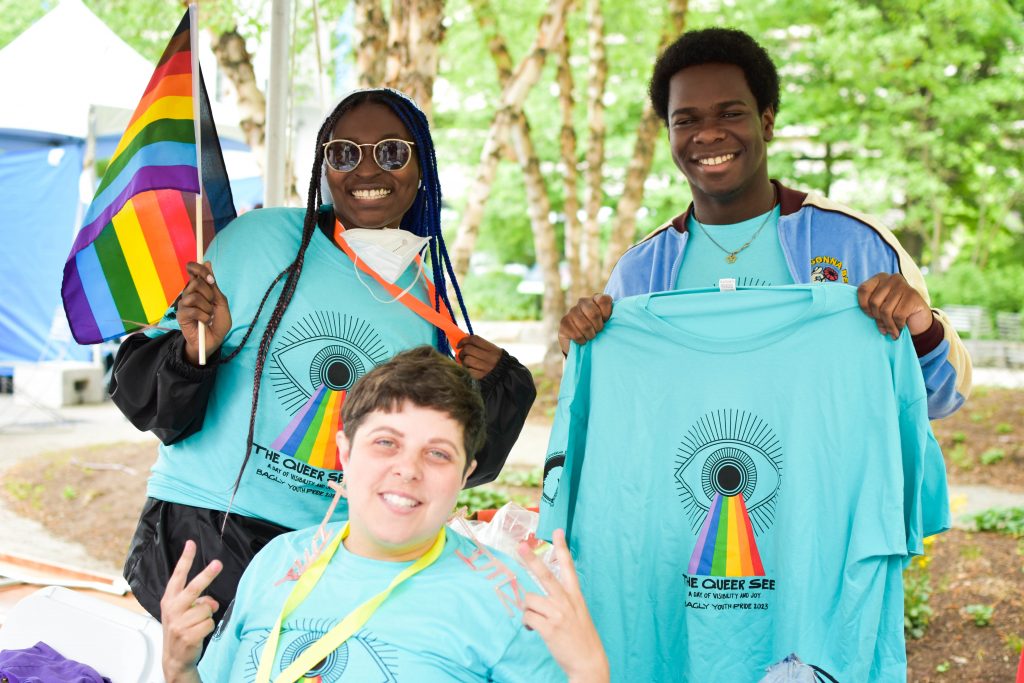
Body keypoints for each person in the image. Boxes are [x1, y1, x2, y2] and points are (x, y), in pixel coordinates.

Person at [109, 88, 537, 627]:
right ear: (323, 165)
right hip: (203, 529)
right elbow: (150, 406)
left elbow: (438, 455)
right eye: (343, 153)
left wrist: (500, 386)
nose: (365, 169)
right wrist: (197, 350)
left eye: (390, 153)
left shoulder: (427, 304)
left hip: (320, 553)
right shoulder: (259, 241)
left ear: (421, 165)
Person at [558, 27, 971, 420]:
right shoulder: (641, 269)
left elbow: (943, 398)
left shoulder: (855, 242)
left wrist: (920, 323)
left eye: (730, 113)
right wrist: (578, 349)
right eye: (686, 120)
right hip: (691, 493)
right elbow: (613, 409)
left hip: (824, 492)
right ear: (669, 135)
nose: (708, 134)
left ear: (767, 121)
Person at [160, 347, 609, 683]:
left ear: (465, 475)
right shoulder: (278, 560)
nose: (407, 470)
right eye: (386, 443)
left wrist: (589, 673)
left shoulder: (510, 597)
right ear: (346, 453)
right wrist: (179, 668)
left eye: (437, 453)